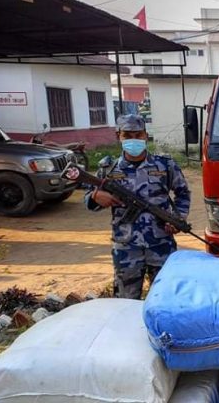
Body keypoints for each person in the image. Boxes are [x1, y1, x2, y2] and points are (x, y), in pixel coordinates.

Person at [85, 115, 190, 299]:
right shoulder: (108, 169)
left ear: (145, 136)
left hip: (161, 243)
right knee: (125, 301)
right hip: (126, 247)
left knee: (165, 298)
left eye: (138, 134)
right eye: (127, 135)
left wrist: (178, 218)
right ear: (119, 136)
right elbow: (89, 199)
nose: (133, 139)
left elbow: (183, 193)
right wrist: (95, 196)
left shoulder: (165, 165)